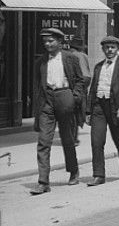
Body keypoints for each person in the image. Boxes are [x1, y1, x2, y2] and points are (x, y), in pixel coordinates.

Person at [30, 28, 85, 195]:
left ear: (60, 42)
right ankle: (43, 182)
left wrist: (74, 97)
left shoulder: (70, 58)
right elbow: (37, 86)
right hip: (47, 101)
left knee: (67, 139)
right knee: (43, 141)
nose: (47, 44)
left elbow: (80, 80)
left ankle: (73, 170)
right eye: (45, 41)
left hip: (64, 97)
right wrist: (37, 109)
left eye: (51, 41)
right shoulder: (40, 62)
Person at [87, 35, 119, 186]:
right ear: (102, 49)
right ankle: (99, 175)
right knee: (97, 140)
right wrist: (88, 111)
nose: (109, 50)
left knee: (118, 139)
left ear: (118, 49)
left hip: (116, 107)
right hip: (99, 106)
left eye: (112, 47)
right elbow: (93, 89)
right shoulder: (98, 66)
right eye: (106, 47)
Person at [67, 35, 92, 146]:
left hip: (77, 81)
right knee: (79, 107)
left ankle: (72, 137)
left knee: (72, 110)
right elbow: (88, 70)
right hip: (86, 80)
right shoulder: (84, 55)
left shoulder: (70, 55)